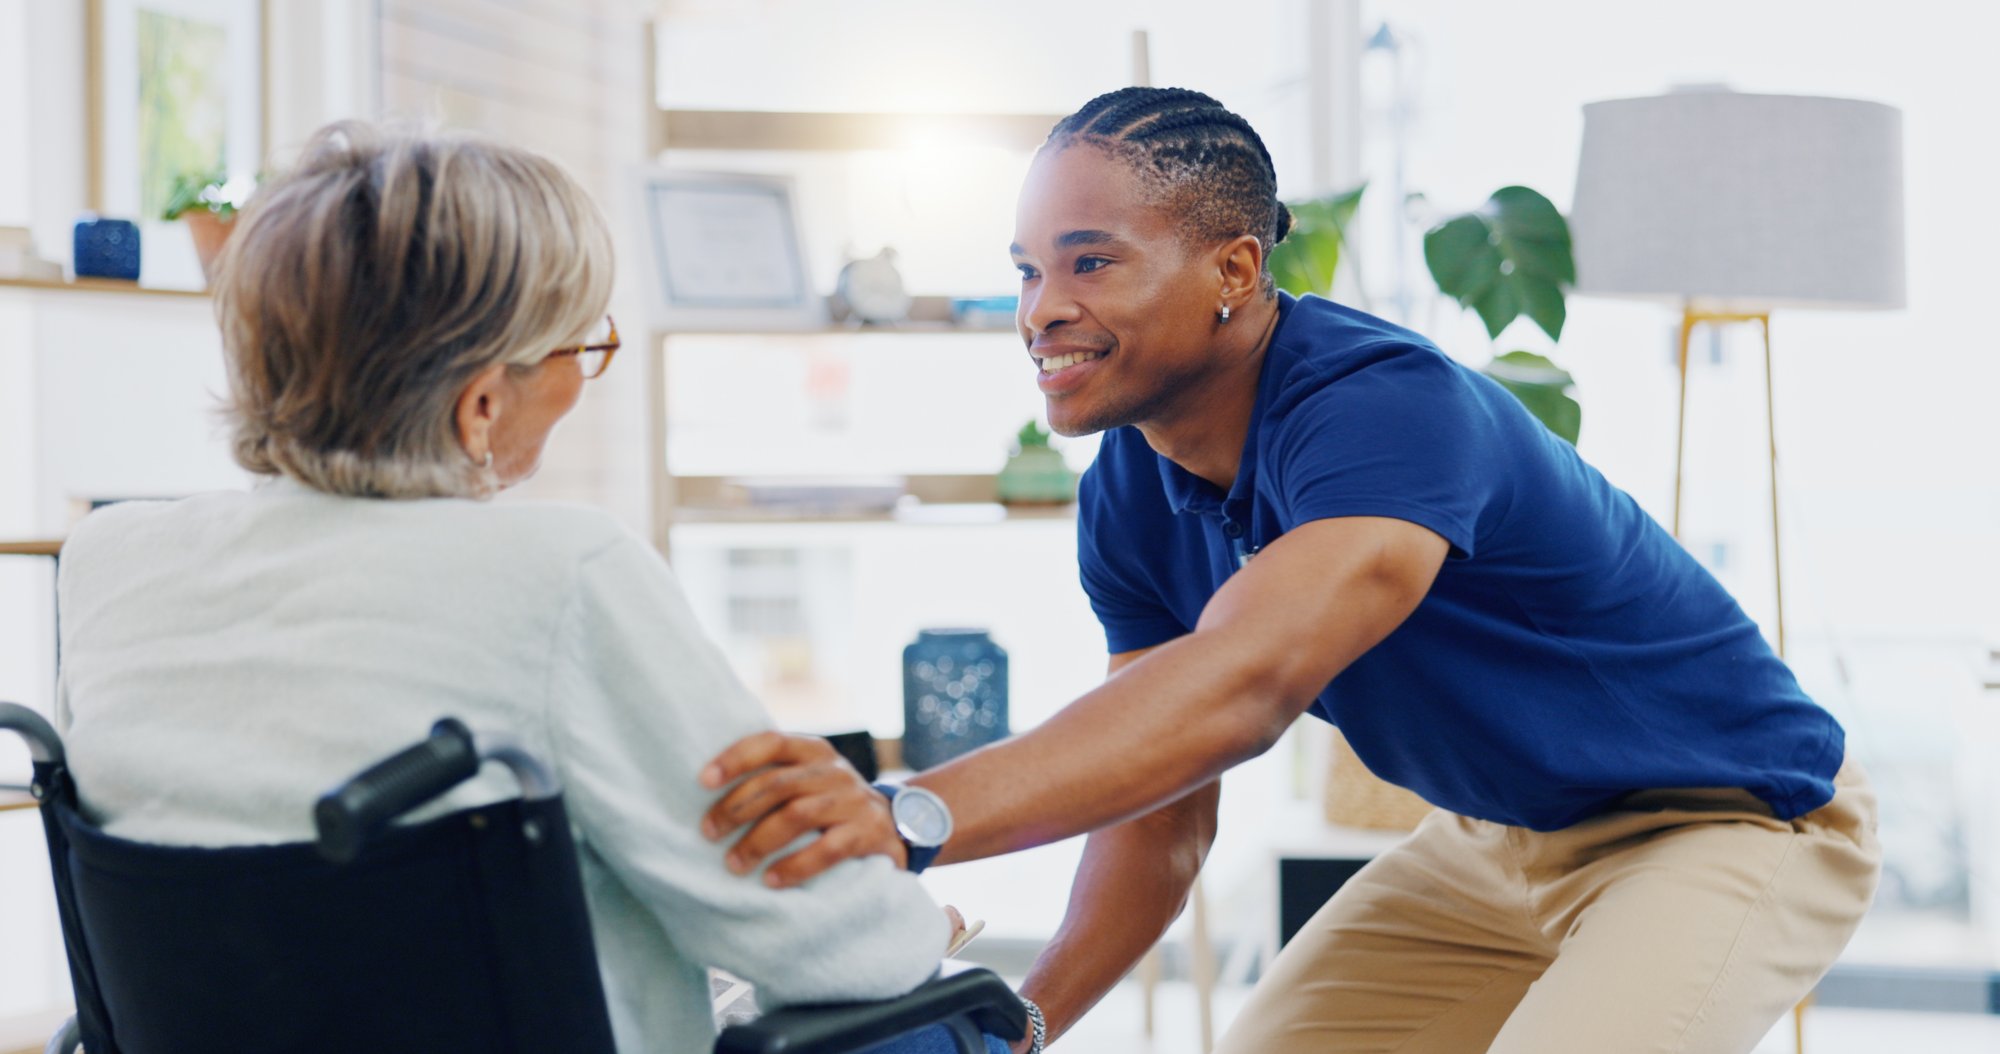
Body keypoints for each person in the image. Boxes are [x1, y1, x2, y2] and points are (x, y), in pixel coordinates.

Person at [698, 87, 1882, 1054]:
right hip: (1492, 843)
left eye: (1091, 264)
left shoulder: (1380, 409)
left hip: (1725, 822)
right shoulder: (1128, 483)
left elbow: (1244, 681)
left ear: (1231, 270)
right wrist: (1027, 1023)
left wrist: (907, 817)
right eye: (1025, 271)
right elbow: (1159, 812)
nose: (1042, 311)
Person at [53, 121, 1001, 1054]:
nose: (586, 376)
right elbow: (837, 948)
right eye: (580, 348)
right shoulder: (563, 573)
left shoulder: (109, 563)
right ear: (479, 404)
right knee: (951, 1026)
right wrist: (918, 927)